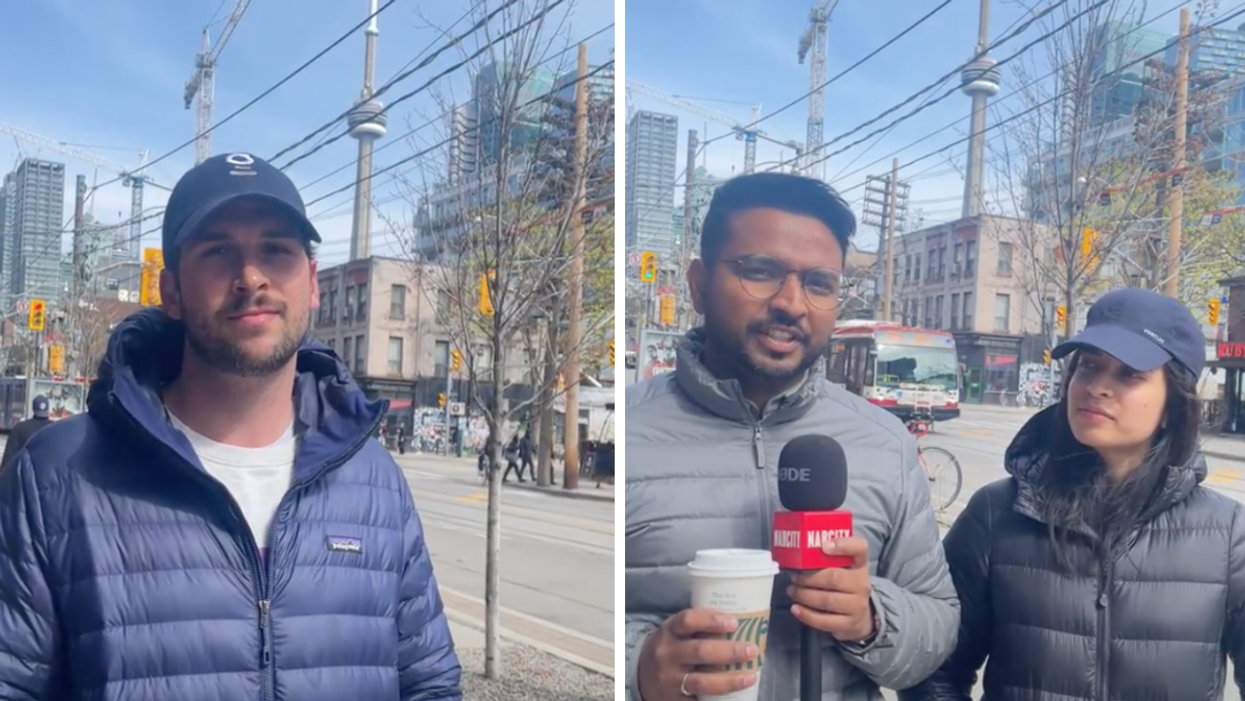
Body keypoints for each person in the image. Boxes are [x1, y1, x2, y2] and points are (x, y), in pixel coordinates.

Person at [0, 153, 461, 700]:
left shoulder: (375, 482)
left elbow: (429, 683)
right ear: (170, 291)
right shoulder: (57, 476)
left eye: (276, 249)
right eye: (218, 251)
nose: (251, 277)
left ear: (312, 283)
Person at [625, 172, 959, 701]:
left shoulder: (886, 443)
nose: (791, 303)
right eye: (760, 271)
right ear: (697, 285)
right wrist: (638, 672)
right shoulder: (629, 432)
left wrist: (872, 618)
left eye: (819, 283)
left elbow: (939, 624)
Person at [902, 287, 1245, 701]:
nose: (1097, 386)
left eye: (1128, 374)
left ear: (1173, 401)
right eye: (1088, 366)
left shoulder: (1227, 536)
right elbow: (935, 669)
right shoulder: (996, 513)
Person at [0, 395, 52, 471]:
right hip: (49, 475)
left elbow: (9, 457)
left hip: (26, 474)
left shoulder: (20, 428)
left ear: (33, 409)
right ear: (48, 410)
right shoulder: (56, 428)